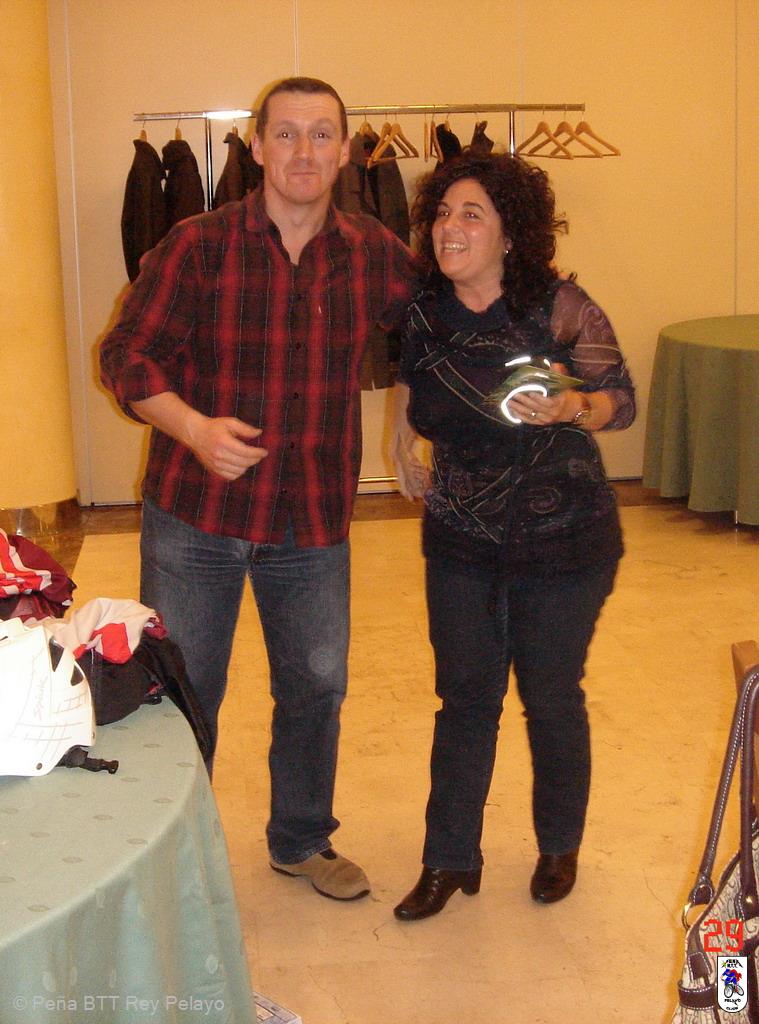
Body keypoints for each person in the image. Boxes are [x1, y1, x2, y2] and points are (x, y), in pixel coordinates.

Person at [100, 77, 418, 902]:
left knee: (315, 687)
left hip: (311, 518)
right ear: (256, 146)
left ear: (345, 152)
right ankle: (172, 853)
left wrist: (406, 424)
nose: (303, 151)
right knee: (183, 694)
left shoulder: (374, 252)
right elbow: (126, 357)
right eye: (286, 133)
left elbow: (434, 331)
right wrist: (193, 428)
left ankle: (301, 840)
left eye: (321, 134)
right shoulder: (197, 245)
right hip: (195, 518)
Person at [391, 151, 635, 920]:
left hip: (563, 540)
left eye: (471, 214)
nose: (449, 228)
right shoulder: (423, 312)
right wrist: (398, 439)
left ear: (508, 234)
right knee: (464, 698)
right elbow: (413, 381)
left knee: (550, 695)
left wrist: (573, 408)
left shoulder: (558, 308)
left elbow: (621, 399)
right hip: (459, 537)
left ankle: (558, 847)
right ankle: (448, 860)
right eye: (442, 213)